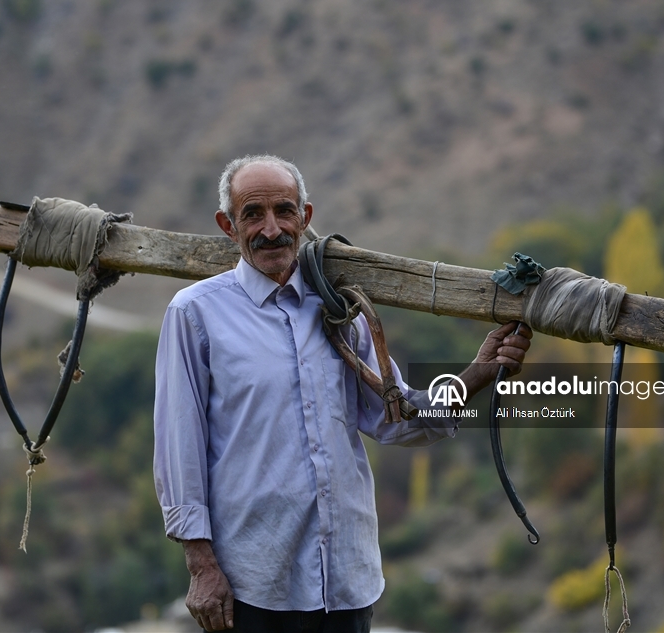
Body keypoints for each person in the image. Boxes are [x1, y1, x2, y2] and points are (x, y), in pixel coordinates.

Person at [154, 155, 532, 632]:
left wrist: (477, 375)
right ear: (228, 225)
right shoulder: (195, 314)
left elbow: (395, 418)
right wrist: (200, 566)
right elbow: (177, 447)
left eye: (284, 211)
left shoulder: (340, 311)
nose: (271, 229)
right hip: (252, 585)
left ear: (305, 217)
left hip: (345, 582)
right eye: (253, 214)